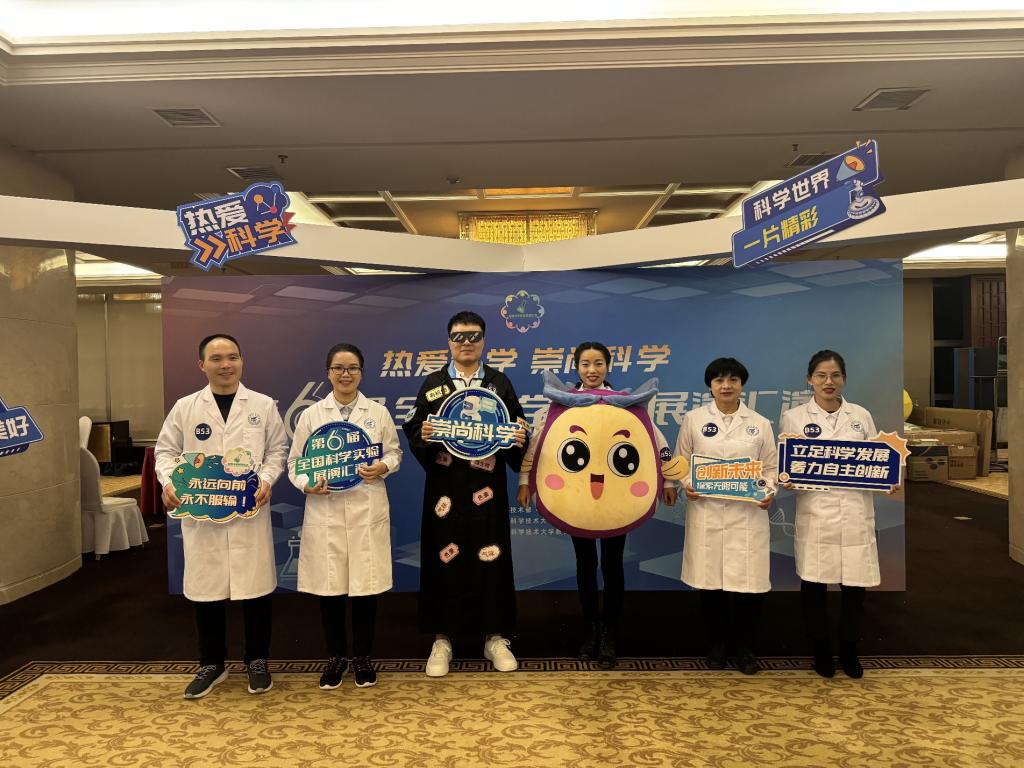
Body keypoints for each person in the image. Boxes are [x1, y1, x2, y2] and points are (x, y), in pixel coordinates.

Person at [516, 341, 677, 668]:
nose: (592, 370)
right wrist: (524, 481)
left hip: (617, 497)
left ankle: (610, 633)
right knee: (585, 564)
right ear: (576, 367)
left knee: (614, 564)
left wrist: (669, 481)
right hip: (578, 498)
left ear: (608, 366)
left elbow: (654, 440)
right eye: (586, 364)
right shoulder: (561, 404)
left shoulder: (626, 404)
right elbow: (539, 443)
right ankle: (590, 629)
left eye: (598, 363)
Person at [155, 333, 288, 699]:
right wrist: (170, 482)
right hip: (203, 512)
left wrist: (266, 479)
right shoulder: (185, 407)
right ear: (202, 365)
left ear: (242, 361)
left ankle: (257, 661)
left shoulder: (262, 405)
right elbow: (165, 452)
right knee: (206, 588)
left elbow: (277, 450)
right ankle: (211, 664)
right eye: (216, 358)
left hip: (248, 511)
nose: (226, 364)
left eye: (232, 357)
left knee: (255, 589)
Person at [403, 310, 528, 677]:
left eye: (473, 336)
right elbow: (414, 426)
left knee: (492, 556)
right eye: (459, 336)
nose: (466, 342)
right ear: (449, 342)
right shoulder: (434, 383)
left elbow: (517, 426)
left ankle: (495, 637)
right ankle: (442, 639)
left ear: (484, 341)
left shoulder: (498, 383)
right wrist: (423, 435)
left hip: (487, 487)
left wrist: (519, 437)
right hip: (445, 488)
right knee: (443, 557)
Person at [287, 343, 402, 690]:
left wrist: (383, 467)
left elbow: (394, 452)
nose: (345, 374)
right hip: (327, 509)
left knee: (366, 587)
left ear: (361, 373)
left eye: (352, 368)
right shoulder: (312, 415)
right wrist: (307, 484)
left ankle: (363, 657)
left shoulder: (377, 413)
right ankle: (336, 657)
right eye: (338, 368)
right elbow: (295, 464)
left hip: (367, 506)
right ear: (328, 373)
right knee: (331, 587)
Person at [780, 349, 888, 679]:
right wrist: (786, 477)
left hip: (855, 512)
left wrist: (887, 477)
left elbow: (877, 460)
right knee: (814, 587)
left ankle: (850, 650)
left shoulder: (861, 416)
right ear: (809, 380)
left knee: (855, 589)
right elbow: (786, 465)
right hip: (817, 513)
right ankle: (821, 651)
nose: (828, 382)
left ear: (844, 379)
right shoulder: (794, 417)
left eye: (835, 375)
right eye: (821, 376)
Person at [674, 357, 777, 675]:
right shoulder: (693, 420)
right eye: (719, 380)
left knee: (748, 586)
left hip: (747, 517)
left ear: (742, 384)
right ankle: (717, 646)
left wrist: (768, 491)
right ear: (710, 385)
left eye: (733, 379)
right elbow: (681, 462)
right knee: (711, 585)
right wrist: (688, 485)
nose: (726, 386)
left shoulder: (759, 423)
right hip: (707, 513)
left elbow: (770, 468)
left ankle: (744, 649)